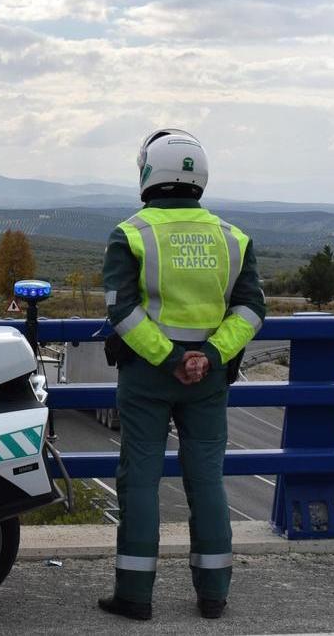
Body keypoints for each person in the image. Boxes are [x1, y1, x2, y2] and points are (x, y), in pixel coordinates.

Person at [96, 129, 266, 621]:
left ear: (148, 172)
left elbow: (122, 313)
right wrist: (208, 355)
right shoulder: (233, 238)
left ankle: (134, 596)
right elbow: (253, 309)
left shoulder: (130, 234)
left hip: (148, 377)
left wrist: (170, 358)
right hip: (210, 379)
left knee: (140, 482)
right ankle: (213, 595)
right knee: (207, 482)